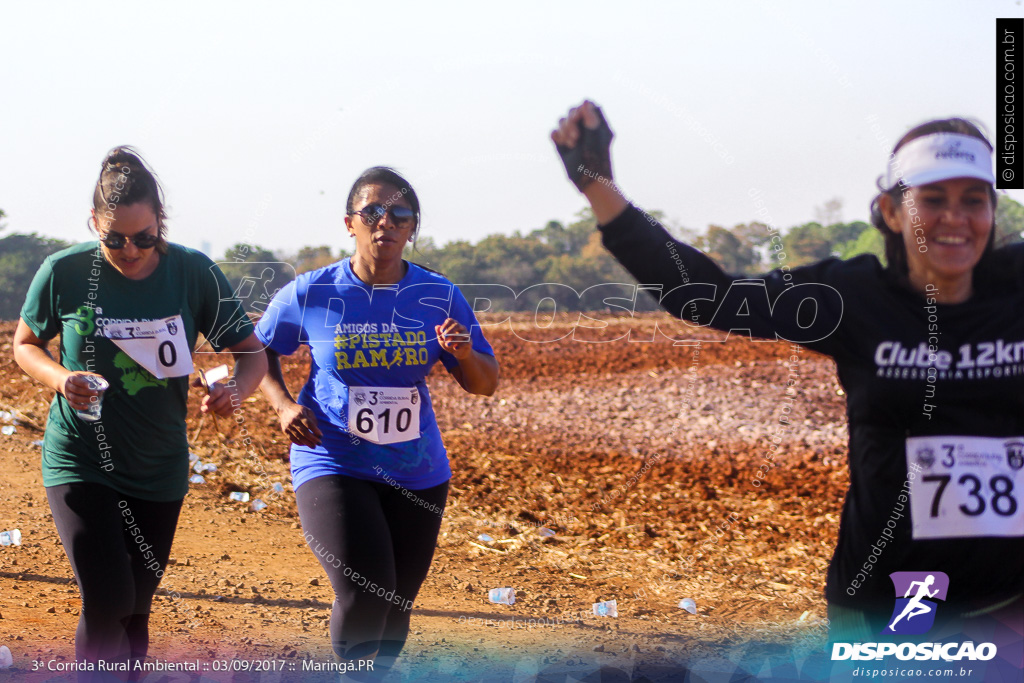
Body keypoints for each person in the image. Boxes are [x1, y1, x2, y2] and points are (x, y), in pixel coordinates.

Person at [550, 102, 1023, 645]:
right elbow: (710, 297)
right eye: (932, 200)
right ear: (892, 212)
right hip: (889, 604)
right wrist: (601, 189)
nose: (954, 219)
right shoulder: (853, 296)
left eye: (974, 200)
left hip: (1007, 600)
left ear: (993, 210)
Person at [13, 147, 267, 680]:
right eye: (114, 239)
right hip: (81, 459)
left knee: (136, 604)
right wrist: (62, 379)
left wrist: (235, 393)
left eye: (144, 237)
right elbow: (25, 344)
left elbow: (251, 352)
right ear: (94, 226)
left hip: (158, 466)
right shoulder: (64, 270)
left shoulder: (193, 273)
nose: (129, 250)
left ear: (161, 225)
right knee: (108, 595)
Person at [255, 166, 499, 679]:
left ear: (413, 228)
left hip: (417, 469)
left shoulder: (437, 294)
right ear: (350, 223)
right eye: (372, 212)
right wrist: (283, 407)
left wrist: (462, 353)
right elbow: (257, 352)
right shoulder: (312, 292)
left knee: (395, 607)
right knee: (367, 593)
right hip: (332, 457)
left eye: (400, 213)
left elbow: (484, 382)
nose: (385, 221)